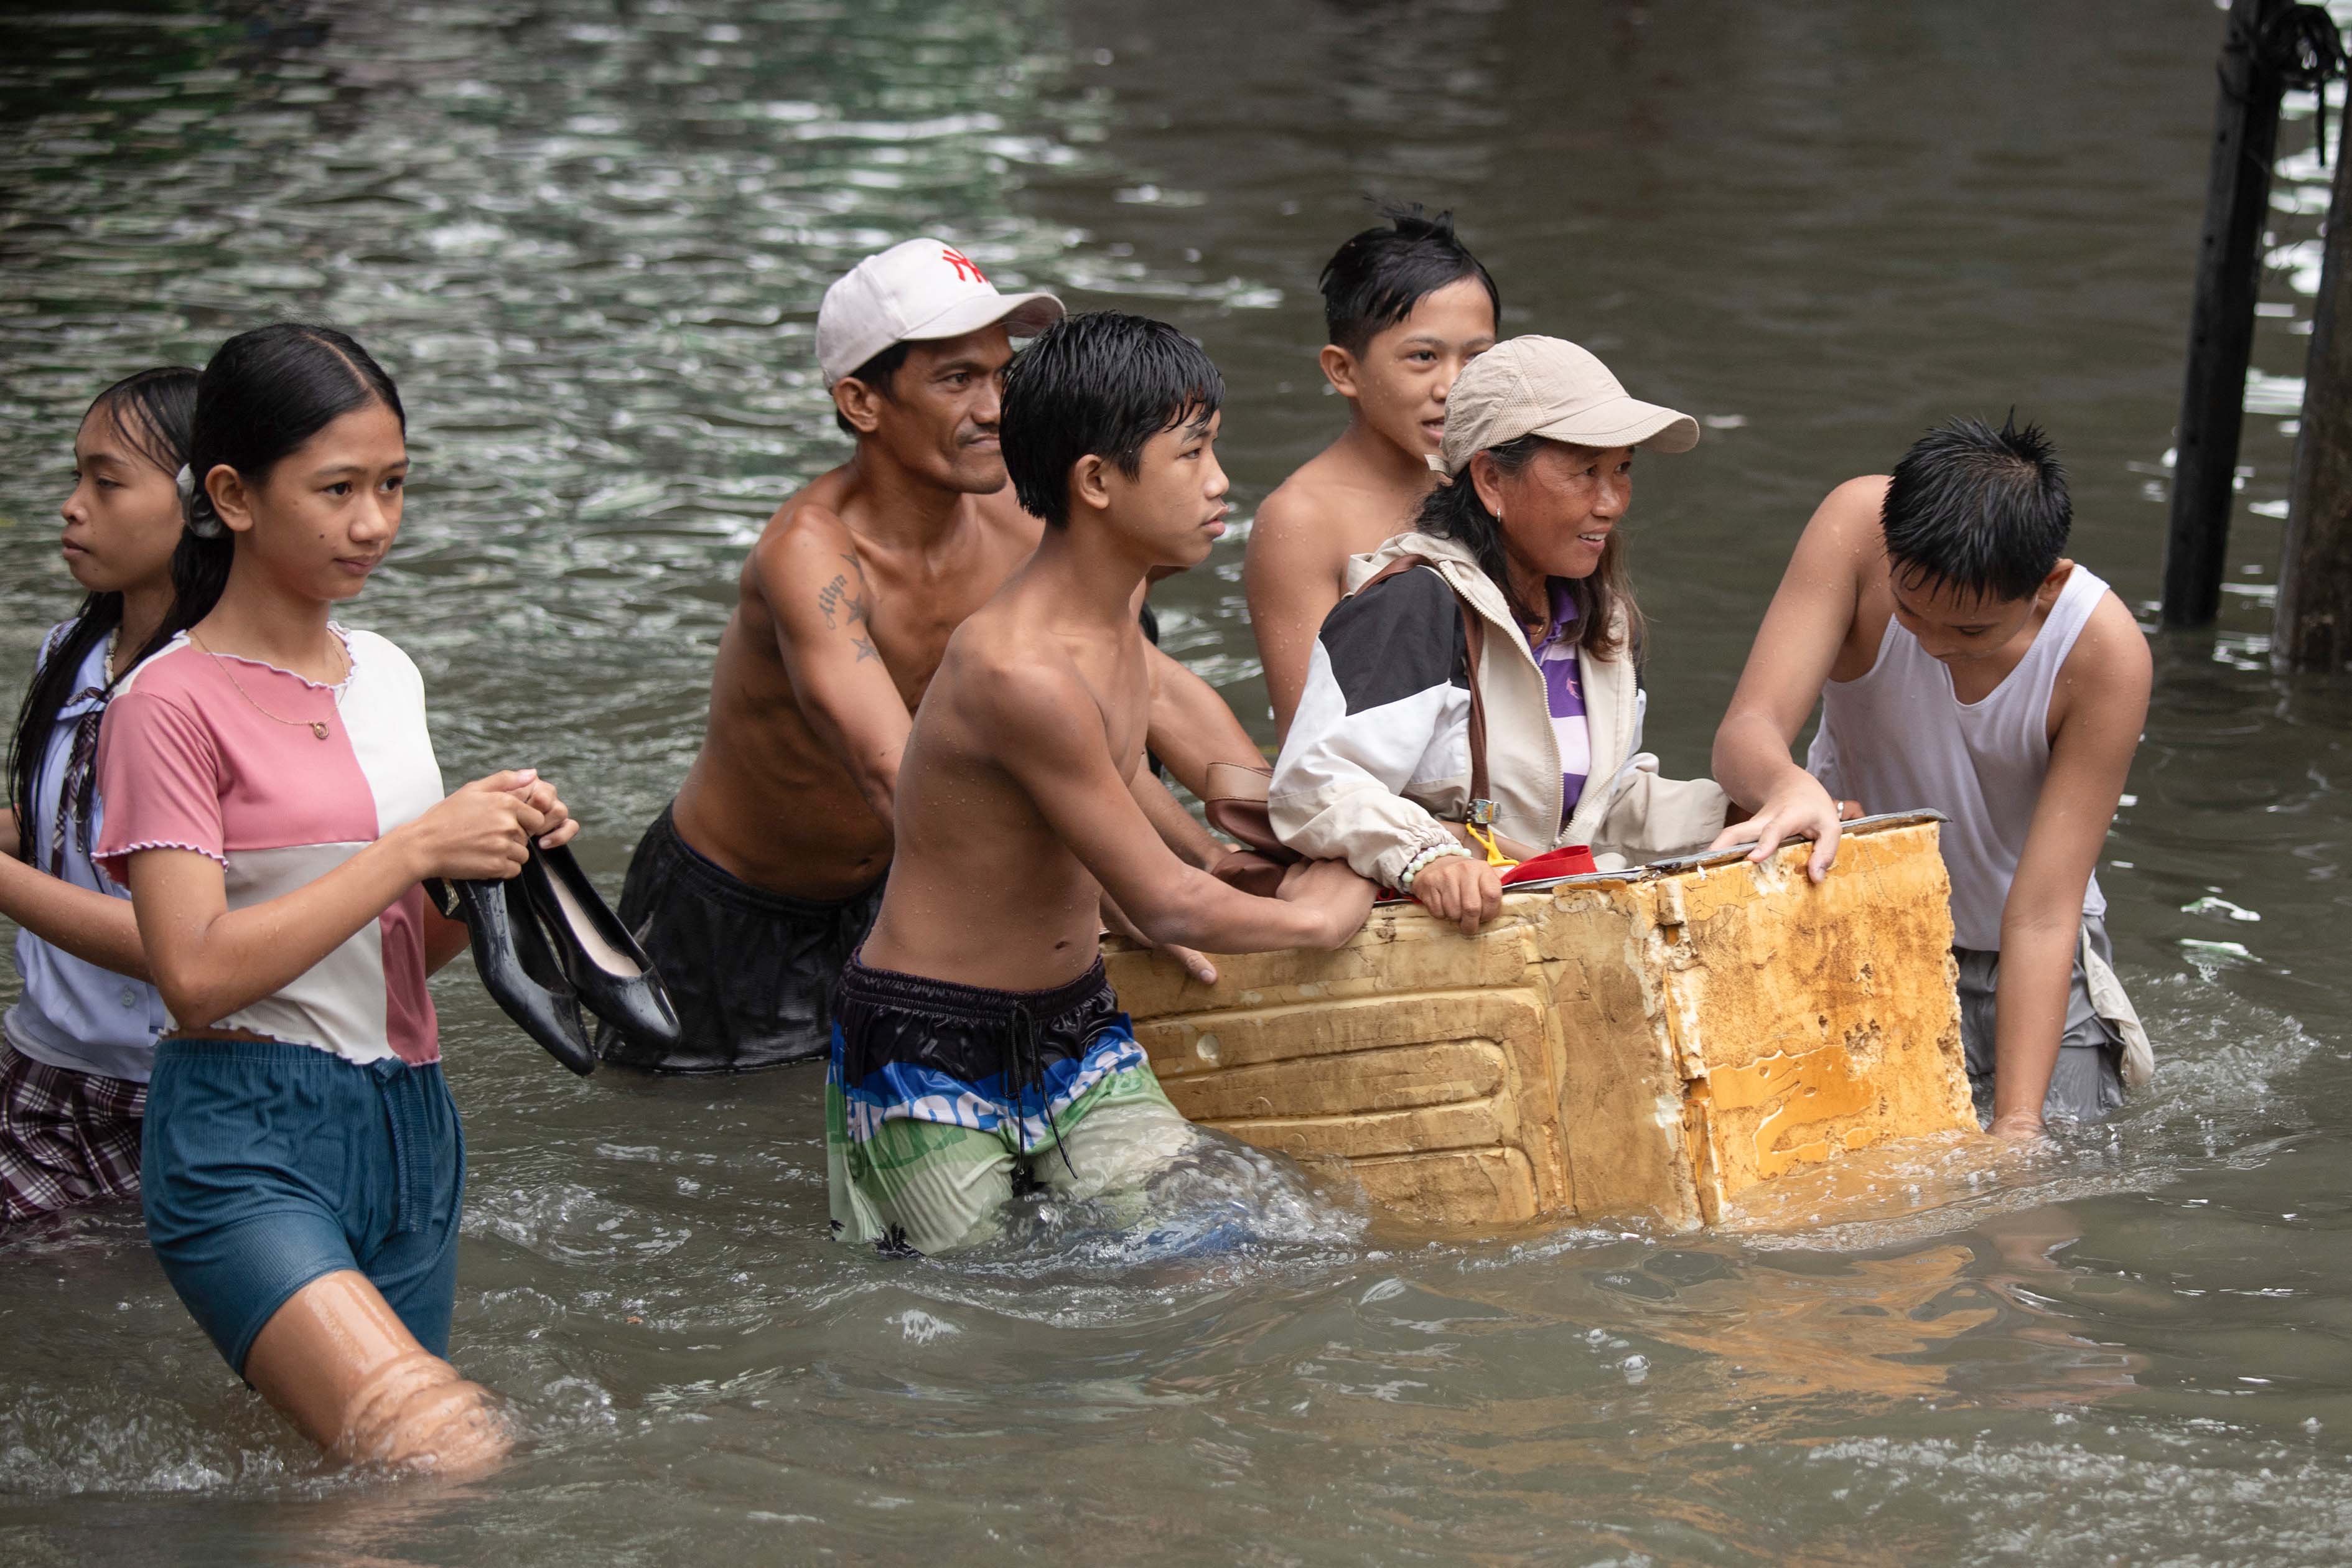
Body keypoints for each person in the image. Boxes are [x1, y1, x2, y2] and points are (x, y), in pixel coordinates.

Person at [93, 324, 576, 1474]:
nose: (375, 523)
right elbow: (193, 972)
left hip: (411, 1122)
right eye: (339, 489)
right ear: (233, 495)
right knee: (443, 1448)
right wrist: (413, 847)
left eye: (394, 485)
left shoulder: (390, 673)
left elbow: (403, 951)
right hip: (244, 1137)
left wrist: (496, 856)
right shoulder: (165, 703)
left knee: (349, 1488)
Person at [605, 238, 1259, 1075]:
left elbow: (1153, 686)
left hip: (897, 891)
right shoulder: (810, 556)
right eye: (958, 381)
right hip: (744, 915)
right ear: (861, 402)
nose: (995, 408)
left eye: (1002, 376)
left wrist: (1250, 835)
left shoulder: (1026, 526)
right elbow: (894, 777)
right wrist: (1126, 884)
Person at [828, 311, 1376, 1257]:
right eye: (1192, 454)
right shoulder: (1019, 670)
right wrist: (1314, 919)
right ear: (1097, 483)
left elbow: (1112, 760)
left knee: (1222, 1247)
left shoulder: (1113, 603)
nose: (1219, 482)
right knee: (983, 1309)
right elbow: (1163, 905)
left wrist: (1212, 852)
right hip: (927, 1046)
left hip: (1074, 1023)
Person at [1708, 418, 2154, 1137]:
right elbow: (1743, 735)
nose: (1938, 644)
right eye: (1912, 612)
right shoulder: (1856, 527)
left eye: (1973, 631)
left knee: (2047, 1175)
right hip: (1856, 927)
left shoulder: (2104, 653)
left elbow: (2043, 911)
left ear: (2049, 583)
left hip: (2028, 955)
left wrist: (2017, 1125)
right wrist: (1790, 784)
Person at [1270, 337, 1730, 933]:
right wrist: (1426, 859)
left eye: (1622, 470)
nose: (1612, 502)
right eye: (1585, 472)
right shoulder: (1412, 607)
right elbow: (1313, 785)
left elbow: (1597, 811)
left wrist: (1738, 815)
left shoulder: (1601, 620)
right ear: (1490, 480)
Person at [0, 368, 212, 1223]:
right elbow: (67, 826)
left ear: (209, 502)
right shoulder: (73, 650)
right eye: (76, 475)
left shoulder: (215, 690)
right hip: (39, 1072)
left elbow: (177, 944)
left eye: (107, 481)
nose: (70, 504)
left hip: (177, 1093)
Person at [1243, 205, 1499, 737]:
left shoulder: (1495, 480)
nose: (1453, 387)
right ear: (1344, 370)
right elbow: (1312, 745)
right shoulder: (1304, 520)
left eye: (1476, 358)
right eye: (1423, 357)